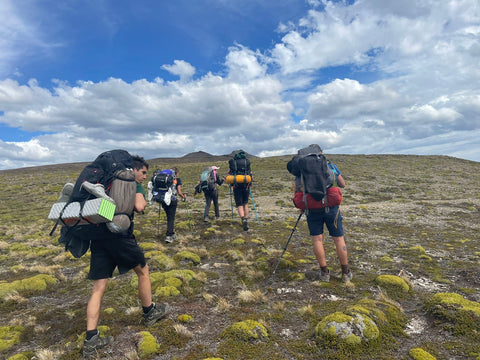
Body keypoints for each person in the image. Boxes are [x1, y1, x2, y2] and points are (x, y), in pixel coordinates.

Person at [83, 155, 169, 359]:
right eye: (143, 172)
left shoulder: (106, 183)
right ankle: (149, 312)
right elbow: (140, 207)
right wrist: (141, 196)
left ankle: (90, 342)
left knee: (98, 287)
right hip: (120, 236)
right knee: (143, 271)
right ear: (134, 170)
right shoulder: (131, 183)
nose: (144, 176)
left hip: (98, 236)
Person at [293, 146, 352, 283]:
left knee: (317, 240)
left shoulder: (301, 170)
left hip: (312, 208)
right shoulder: (329, 165)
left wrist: (302, 206)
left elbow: (298, 190)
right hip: (331, 207)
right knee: (338, 239)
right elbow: (342, 184)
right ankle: (345, 273)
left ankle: (324, 273)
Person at [228, 151, 253, 231]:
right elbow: (251, 173)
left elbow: (230, 174)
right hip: (246, 185)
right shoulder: (247, 162)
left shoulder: (233, 163)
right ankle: (246, 219)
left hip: (236, 186)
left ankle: (243, 219)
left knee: (239, 204)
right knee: (245, 203)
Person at [161, 167, 186, 243]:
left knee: (169, 217)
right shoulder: (177, 180)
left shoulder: (164, 179)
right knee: (171, 218)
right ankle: (169, 236)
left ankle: (171, 233)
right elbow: (179, 192)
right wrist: (183, 197)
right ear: (176, 173)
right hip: (172, 200)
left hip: (163, 200)